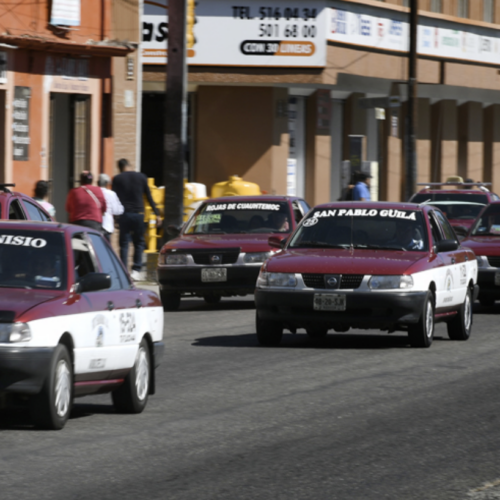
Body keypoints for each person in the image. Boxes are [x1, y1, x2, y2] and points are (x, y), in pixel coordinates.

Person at [112, 158, 161, 281]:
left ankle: (124, 271)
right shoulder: (141, 177)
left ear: (119, 167)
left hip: (124, 214)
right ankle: (136, 270)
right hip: (139, 214)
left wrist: (115, 217)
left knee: (124, 244)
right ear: (129, 165)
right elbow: (149, 196)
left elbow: (114, 199)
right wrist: (157, 214)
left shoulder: (117, 179)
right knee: (139, 243)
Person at [98, 173, 124, 242]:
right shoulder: (111, 194)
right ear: (107, 183)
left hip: (94, 226)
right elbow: (118, 210)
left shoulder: (94, 192)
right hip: (106, 226)